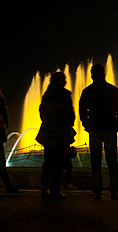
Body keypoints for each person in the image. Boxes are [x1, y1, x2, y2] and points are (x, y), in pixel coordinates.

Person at [79, 64, 118, 200]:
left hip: (96, 129)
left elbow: (82, 110)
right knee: (112, 162)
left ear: (92, 75)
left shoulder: (88, 91)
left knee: (96, 162)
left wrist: (86, 124)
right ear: (104, 74)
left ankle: (97, 191)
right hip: (109, 128)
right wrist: (117, 125)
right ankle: (114, 191)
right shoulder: (112, 90)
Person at [36, 72, 76, 200]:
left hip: (48, 130)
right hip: (60, 130)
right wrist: (70, 124)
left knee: (48, 161)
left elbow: (41, 111)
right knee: (58, 161)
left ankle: (44, 187)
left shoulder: (47, 95)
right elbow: (70, 112)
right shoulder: (65, 94)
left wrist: (47, 121)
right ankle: (55, 190)